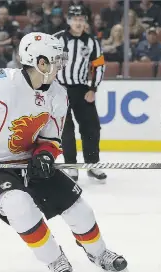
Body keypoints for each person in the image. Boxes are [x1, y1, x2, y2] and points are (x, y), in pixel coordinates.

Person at [0, 32, 128, 272]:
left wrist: (45, 155)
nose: (61, 64)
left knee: (79, 209)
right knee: (19, 206)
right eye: (57, 59)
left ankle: (99, 252)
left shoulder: (58, 94)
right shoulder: (0, 83)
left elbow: (52, 139)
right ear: (40, 62)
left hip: (29, 162)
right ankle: (55, 259)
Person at [54, 5, 107, 182]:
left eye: (81, 19)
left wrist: (93, 89)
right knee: (66, 130)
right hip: (60, 89)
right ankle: (71, 166)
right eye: (75, 19)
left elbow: (99, 66)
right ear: (69, 21)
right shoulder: (57, 40)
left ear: (85, 22)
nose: (78, 22)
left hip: (83, 90)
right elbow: (46, 64)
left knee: (91, 127)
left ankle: (93, 165)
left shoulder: (91, 41)